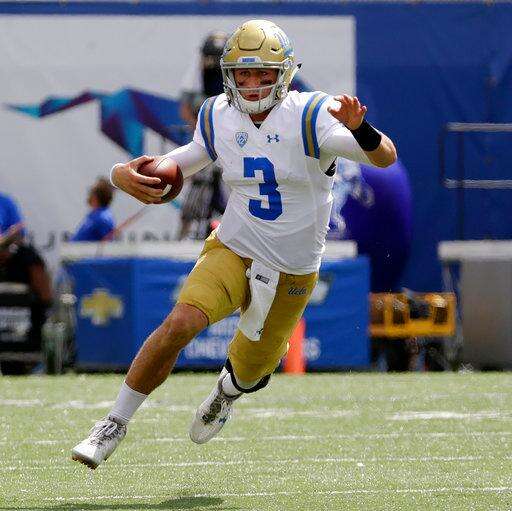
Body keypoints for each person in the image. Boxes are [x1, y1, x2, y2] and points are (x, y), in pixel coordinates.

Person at [72, 19, 397, 469]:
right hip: (235, 247)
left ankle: (227, 391)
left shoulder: (310, 113)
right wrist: (120, 174)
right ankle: (113, 422)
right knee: (180, 323)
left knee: (250, 370)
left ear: (284, 74)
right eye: (243, 73)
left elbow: (384, 156)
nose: (252, 83)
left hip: (292, 268)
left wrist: (361, 128)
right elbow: (177, 164)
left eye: (263, 73)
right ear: (228, 75)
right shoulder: (217, 114)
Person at [178, 31, 229, 240]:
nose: (212, 63)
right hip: (205, 142)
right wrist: (200, 128)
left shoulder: (231, 79)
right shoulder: (196, 78)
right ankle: (183, 240)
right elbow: (185, 107)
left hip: (227, 146)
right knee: (196, 193)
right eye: (210, 58)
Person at [70, 177, 115, 242]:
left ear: (95, 197)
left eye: (91, 192)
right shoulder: (94, 215)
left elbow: (108, 244)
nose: (89, 195)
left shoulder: (104, 218)